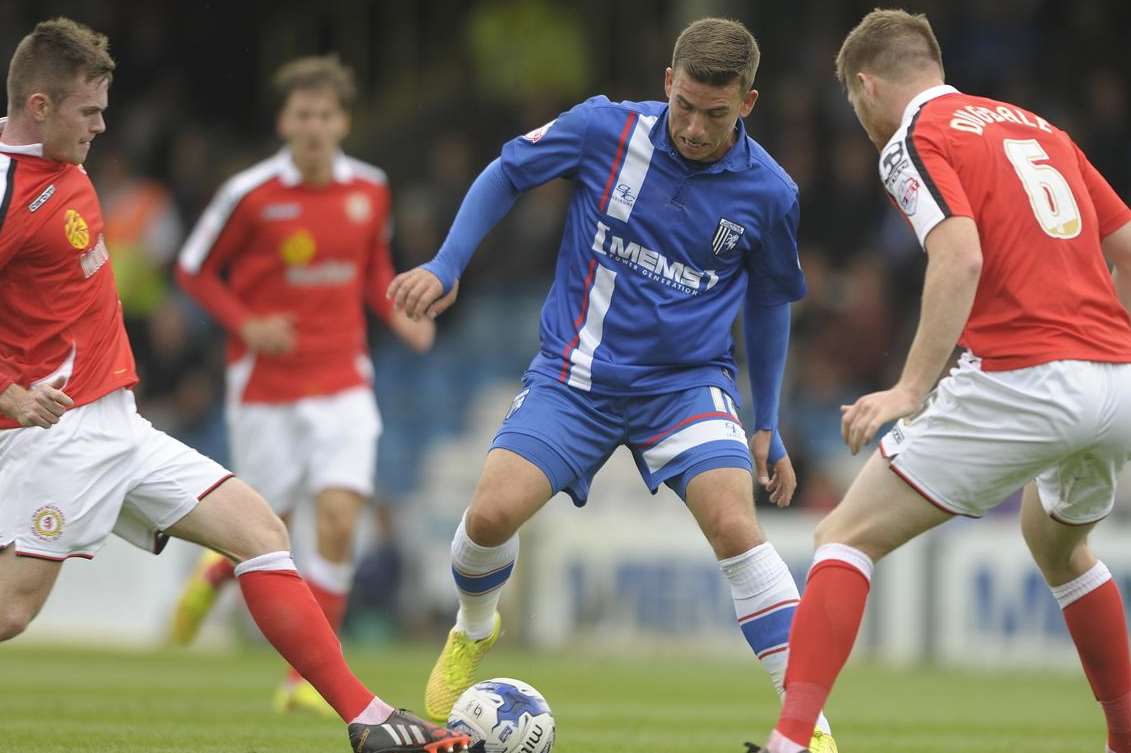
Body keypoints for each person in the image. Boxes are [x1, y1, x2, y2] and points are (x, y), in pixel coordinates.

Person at [0, 19, 464, 753]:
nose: (103, 124)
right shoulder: (6, 186)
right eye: (89, 111)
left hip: (119, 421)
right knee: (13, 612)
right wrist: (9, 394)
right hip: (52, 435)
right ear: (39, 107)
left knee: (259, 531)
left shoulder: (63, 163)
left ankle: (368, 721)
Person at [388, 17, 836, 753]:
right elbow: (506, 171)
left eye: (714, 114)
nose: (693, 126)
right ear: (667, 83)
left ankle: (807, 728)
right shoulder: (603, 128)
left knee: (735, 523)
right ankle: (474, 627)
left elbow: (767, 301)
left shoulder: (770, 193)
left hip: (686, 385)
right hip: (575, 375)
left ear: (747, 104)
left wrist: (768, 420)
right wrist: (447, 263)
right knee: (491, 513)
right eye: (684, 105)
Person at [752, 9, 1131, 753]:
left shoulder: (914, 138)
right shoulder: (1040, 128)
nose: (858, 120)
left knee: (843, 536)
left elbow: (958, 257)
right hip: (1114, 381)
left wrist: (908, 390)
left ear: (865, 86)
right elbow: (1125, 246)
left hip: (1023, 378)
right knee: (1057, 546)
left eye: (853, 103)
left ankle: (789, 742)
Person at [169, 53, 434, 717]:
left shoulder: (370, 188)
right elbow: (193, 270)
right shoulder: (249, 193)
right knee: (270, 529)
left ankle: (302, 680)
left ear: (343, 120)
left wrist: (399, 310)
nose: (314, 126)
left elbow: (372, 267)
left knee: (340, 521)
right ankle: (215, 571)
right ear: (285, 120)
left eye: (325, 114)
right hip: (266, 388)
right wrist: (246, 322)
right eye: (302, 113)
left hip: (343, 377)